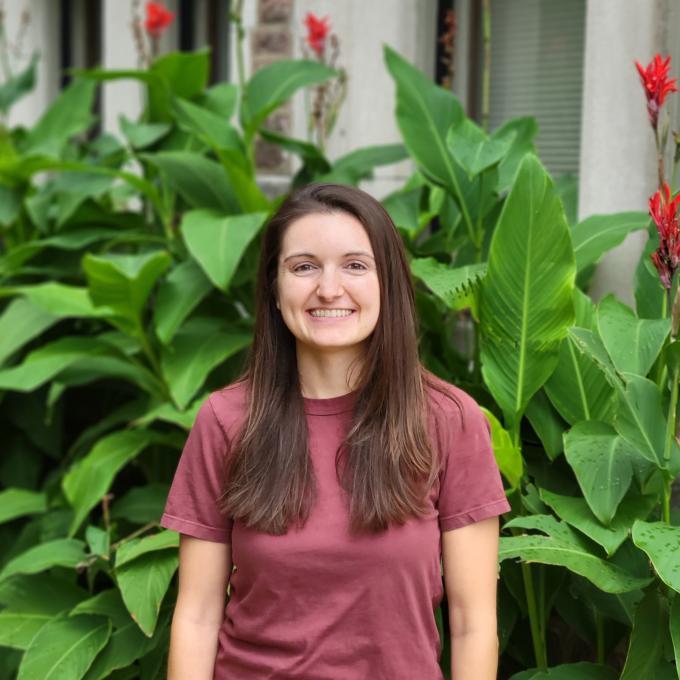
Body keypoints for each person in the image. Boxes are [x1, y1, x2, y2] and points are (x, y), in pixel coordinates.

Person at [160, 183, 510, 680]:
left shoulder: (449, 420)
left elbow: (472, 623)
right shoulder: (227, 420)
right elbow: (196, 616)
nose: (328, 288)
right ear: (274, 290)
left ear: (388, 283)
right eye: (303, 267)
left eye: (355, 265)